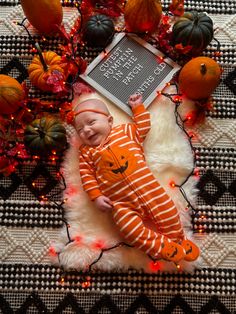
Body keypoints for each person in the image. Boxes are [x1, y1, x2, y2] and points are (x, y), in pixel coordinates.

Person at [72, 94, 200, 264]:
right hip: (121, 204)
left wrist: (137, 108)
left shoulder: (125, 131)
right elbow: (87, 176)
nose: (86, 130)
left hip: (150, 190)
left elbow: (143, 126)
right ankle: (162, 247)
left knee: (168, 211)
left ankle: (178, 239)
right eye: (80, 129)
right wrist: (96, 197)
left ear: (109, 121)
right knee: (128, 230)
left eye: (91, 122)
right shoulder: (86, 153)